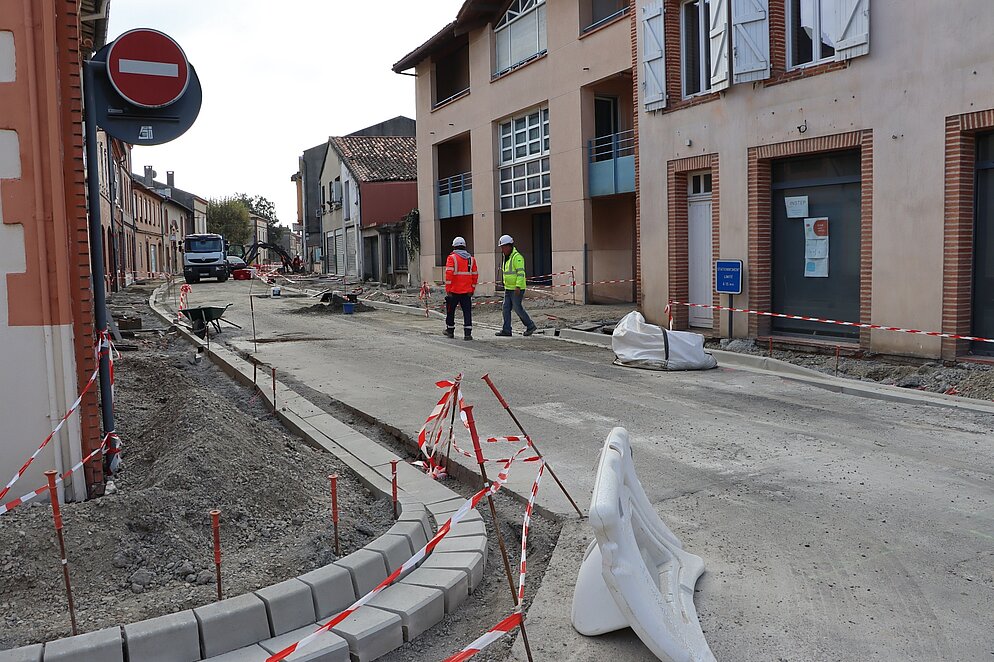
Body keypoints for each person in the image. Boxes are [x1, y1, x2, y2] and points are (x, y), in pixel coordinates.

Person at [496, 234, 536, 337]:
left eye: (503, 247)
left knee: (517, 308)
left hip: (516, 288)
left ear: (509, 246)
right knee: (506, 308)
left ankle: (530, 325)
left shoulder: (517, 257)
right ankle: (506, 330)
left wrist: (518, 286)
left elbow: (520, 273)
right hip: (508, 288)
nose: (502, 250)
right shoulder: (507, 258)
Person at [443, 236, 479, 340]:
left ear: (454, 247)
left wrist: (448, 289)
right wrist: (472, 289)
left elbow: (449, 274)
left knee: (450, 311)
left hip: (454, 291)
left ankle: (450, 331)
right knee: (467, 312)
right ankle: (467, 334)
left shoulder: (452, 258)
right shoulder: (471, 259)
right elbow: (475, 275)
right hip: (467, 292)